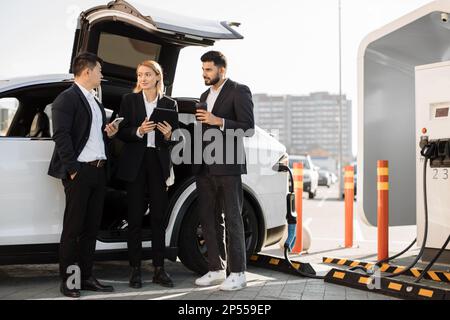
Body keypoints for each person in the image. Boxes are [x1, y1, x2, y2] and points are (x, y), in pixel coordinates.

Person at [48, 52, 118, 298]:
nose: (102, 74)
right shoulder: (66, 99)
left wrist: (107, 132)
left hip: (99, 172)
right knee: (73, 229)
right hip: (81, 172)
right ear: (87, 71)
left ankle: (86, 277)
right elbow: (61, 136)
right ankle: (69, 281)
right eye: (99, 70)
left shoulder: (95, 101)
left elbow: (92, 135)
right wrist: (74, 169)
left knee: (91, 229)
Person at [193, 51, 255, 291]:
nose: (204, 74)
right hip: (205, 165)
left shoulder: (239, 90)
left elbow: (248, 128)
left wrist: (218, 120)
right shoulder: (203, 95)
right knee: (208, 218)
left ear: (222, 70)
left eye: (208, 69)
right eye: (203, 70)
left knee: (232, 218)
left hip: (228, 165)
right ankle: (216, 269)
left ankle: (238, 273)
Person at [116, 60, 178, 288]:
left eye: (147, 75)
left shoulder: (170, 103)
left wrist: (170, 134)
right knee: (134, 218)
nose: (142, 79)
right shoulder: (129, 100)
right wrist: (138, 131)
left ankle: (159, 270)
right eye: (140, 74)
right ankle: (135, 270)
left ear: (157, 77)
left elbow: (175, 137)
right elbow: (121, 132)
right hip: (135, 164)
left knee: (158, 219)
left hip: (158, 163)